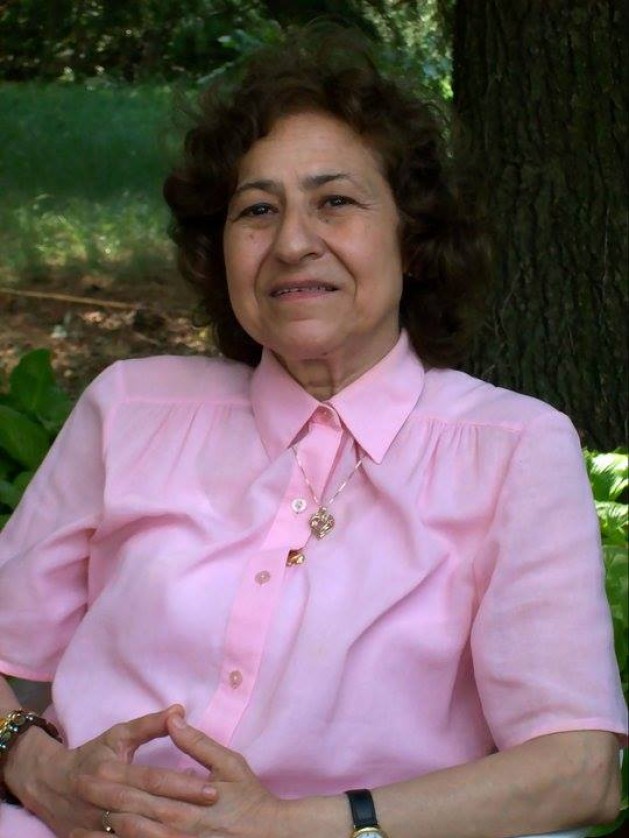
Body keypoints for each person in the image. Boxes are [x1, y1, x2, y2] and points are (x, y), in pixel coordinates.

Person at [0, 27, 626, 838]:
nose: (292, 242)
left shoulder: (512, 449)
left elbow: (576, 770)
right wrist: (40, 770)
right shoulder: (130, 409)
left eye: (334, 202)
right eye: (257, 210)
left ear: (412, 237)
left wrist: (297, 825)